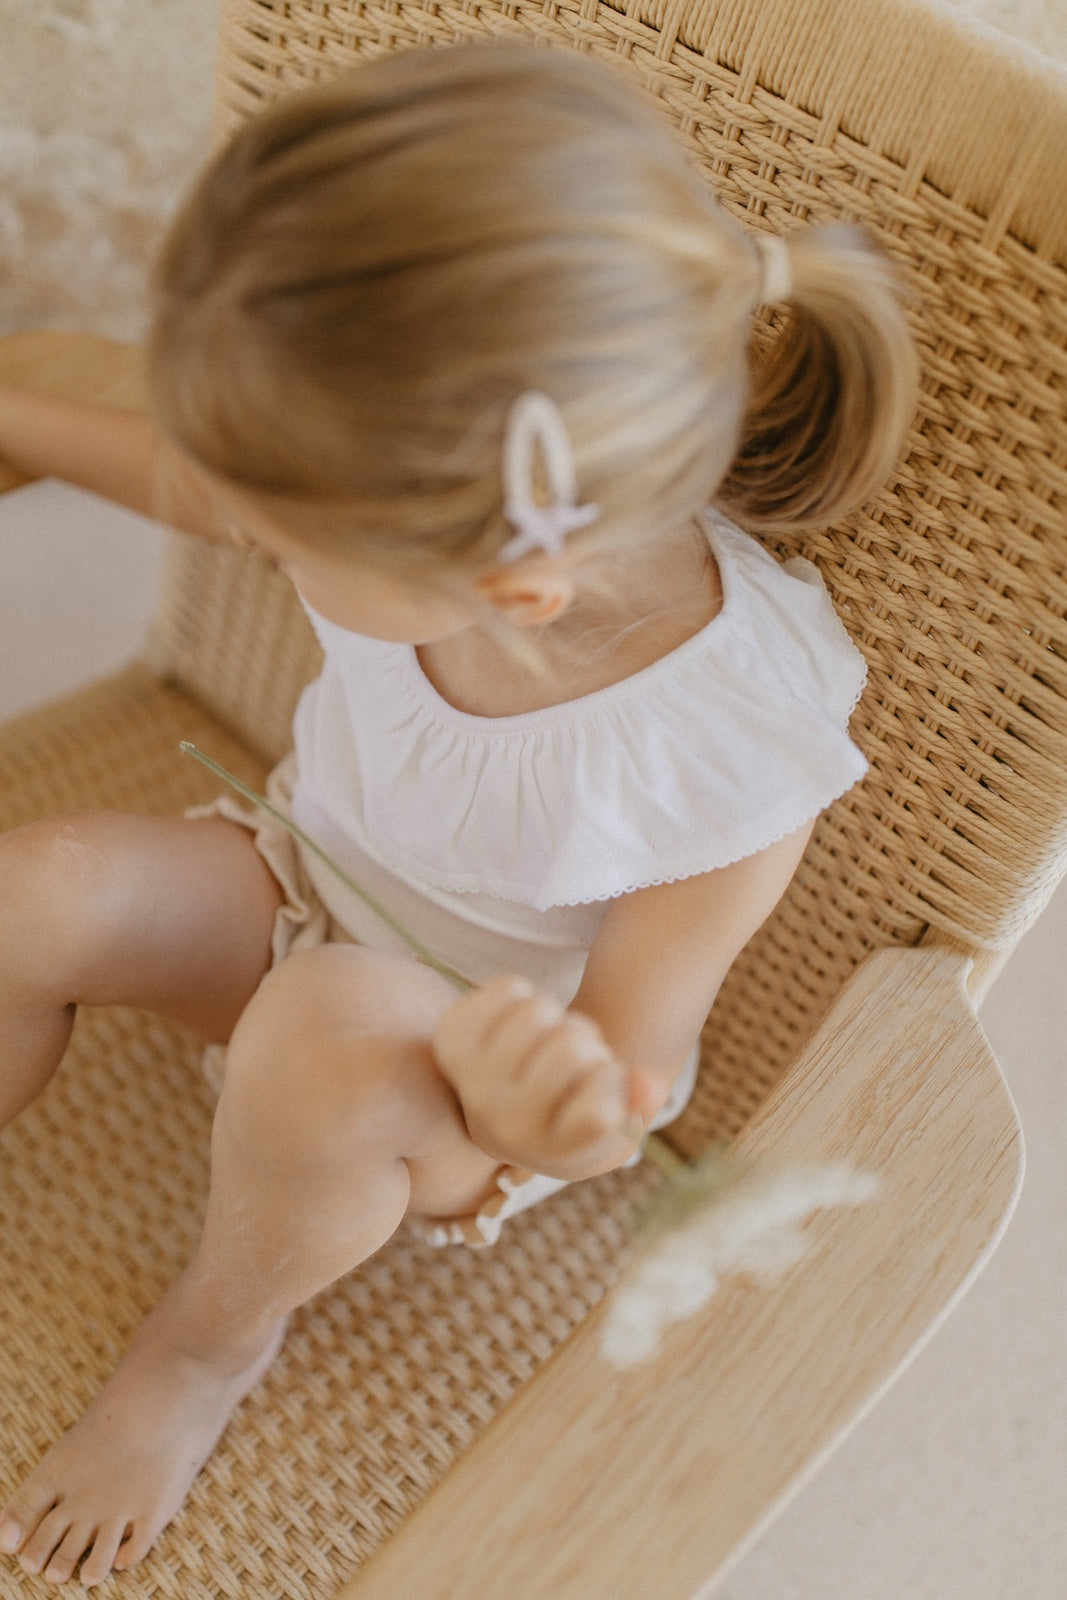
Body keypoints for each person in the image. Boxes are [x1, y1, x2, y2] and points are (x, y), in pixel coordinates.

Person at [0, 41, 917, 1587]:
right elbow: (194, 476)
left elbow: (639, 1062)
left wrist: (545, 1102)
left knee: (329, 1023)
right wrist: (18, 415)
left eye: (278, 536)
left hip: (445, 1092)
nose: (250, 537)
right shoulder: (418, 504)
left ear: (511, 590)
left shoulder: (729, 748)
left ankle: (205, 1349)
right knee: (42, 887)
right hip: (295, 882)